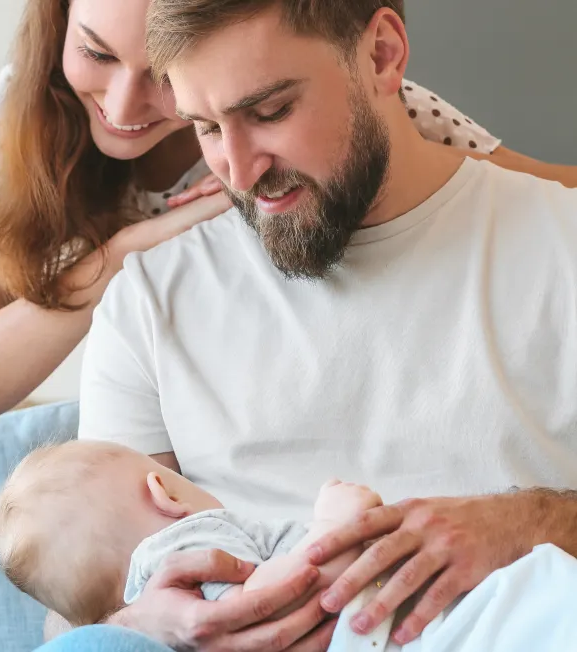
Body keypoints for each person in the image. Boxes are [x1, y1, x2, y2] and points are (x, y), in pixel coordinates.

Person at [56, 0, 577, 650]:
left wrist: (531, 523)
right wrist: (140, 624)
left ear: (383, 54)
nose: (239, 174)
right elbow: (74, 618)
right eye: (207, 128)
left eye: (269, 112)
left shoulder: (562, 246)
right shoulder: (148, 303)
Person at [0, 0, 577, 440]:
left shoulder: (372, 104)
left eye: (163, 77)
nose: (122, 103)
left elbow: (540, 195)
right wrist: (119, 260)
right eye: (96, 54)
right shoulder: (26, 115)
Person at [0, 440, 380, 629]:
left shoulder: (151, 614)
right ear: (168, 494)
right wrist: (334, 526)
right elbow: (264, 605)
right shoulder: (187, 541)